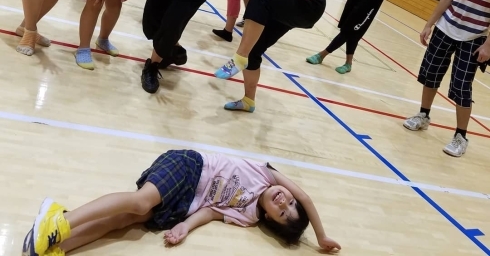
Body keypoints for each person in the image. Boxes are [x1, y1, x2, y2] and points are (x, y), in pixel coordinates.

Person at [21, 149, 341, 256]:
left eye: (282, 212)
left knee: (126, 222)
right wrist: (321, 235)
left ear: (270, 219)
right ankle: (57, 220)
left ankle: (59, 245)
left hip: (184, 203)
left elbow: (212, 211)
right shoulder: (267, 176)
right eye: (289, 203)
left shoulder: (248, 216)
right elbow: (305, 197)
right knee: (139, 202)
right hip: (190, 166)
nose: (284, 201)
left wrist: (185, 227)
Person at [403, 0, 490, 157]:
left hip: (473, 38)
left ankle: (461, 136)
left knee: (461, 86)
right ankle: (423, 115)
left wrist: (488, 45)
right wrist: (429, 24)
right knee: (430, 74)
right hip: (445, 28)